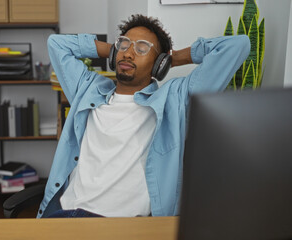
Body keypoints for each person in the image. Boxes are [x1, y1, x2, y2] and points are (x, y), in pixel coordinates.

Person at [37, 14, 250, 218]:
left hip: (118, 225)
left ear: (159, 63)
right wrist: (111, 50)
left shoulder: (173, 100)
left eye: (142, 48)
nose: (128, 53)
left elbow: (237, 46)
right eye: (124, 44)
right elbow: (56, 44)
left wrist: (174, 58)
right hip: (64, 212)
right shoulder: (88, 89)